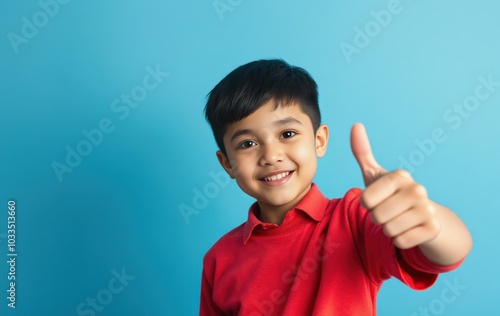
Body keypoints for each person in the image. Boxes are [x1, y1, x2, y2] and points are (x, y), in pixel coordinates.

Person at [199, 59, 472, 315]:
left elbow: (447, 253)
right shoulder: (218, 259)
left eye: (287, 134)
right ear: (227, 165)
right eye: (247, 144)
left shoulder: (353, 219)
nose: (271, 156)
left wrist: (429, 221)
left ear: (319, 141)